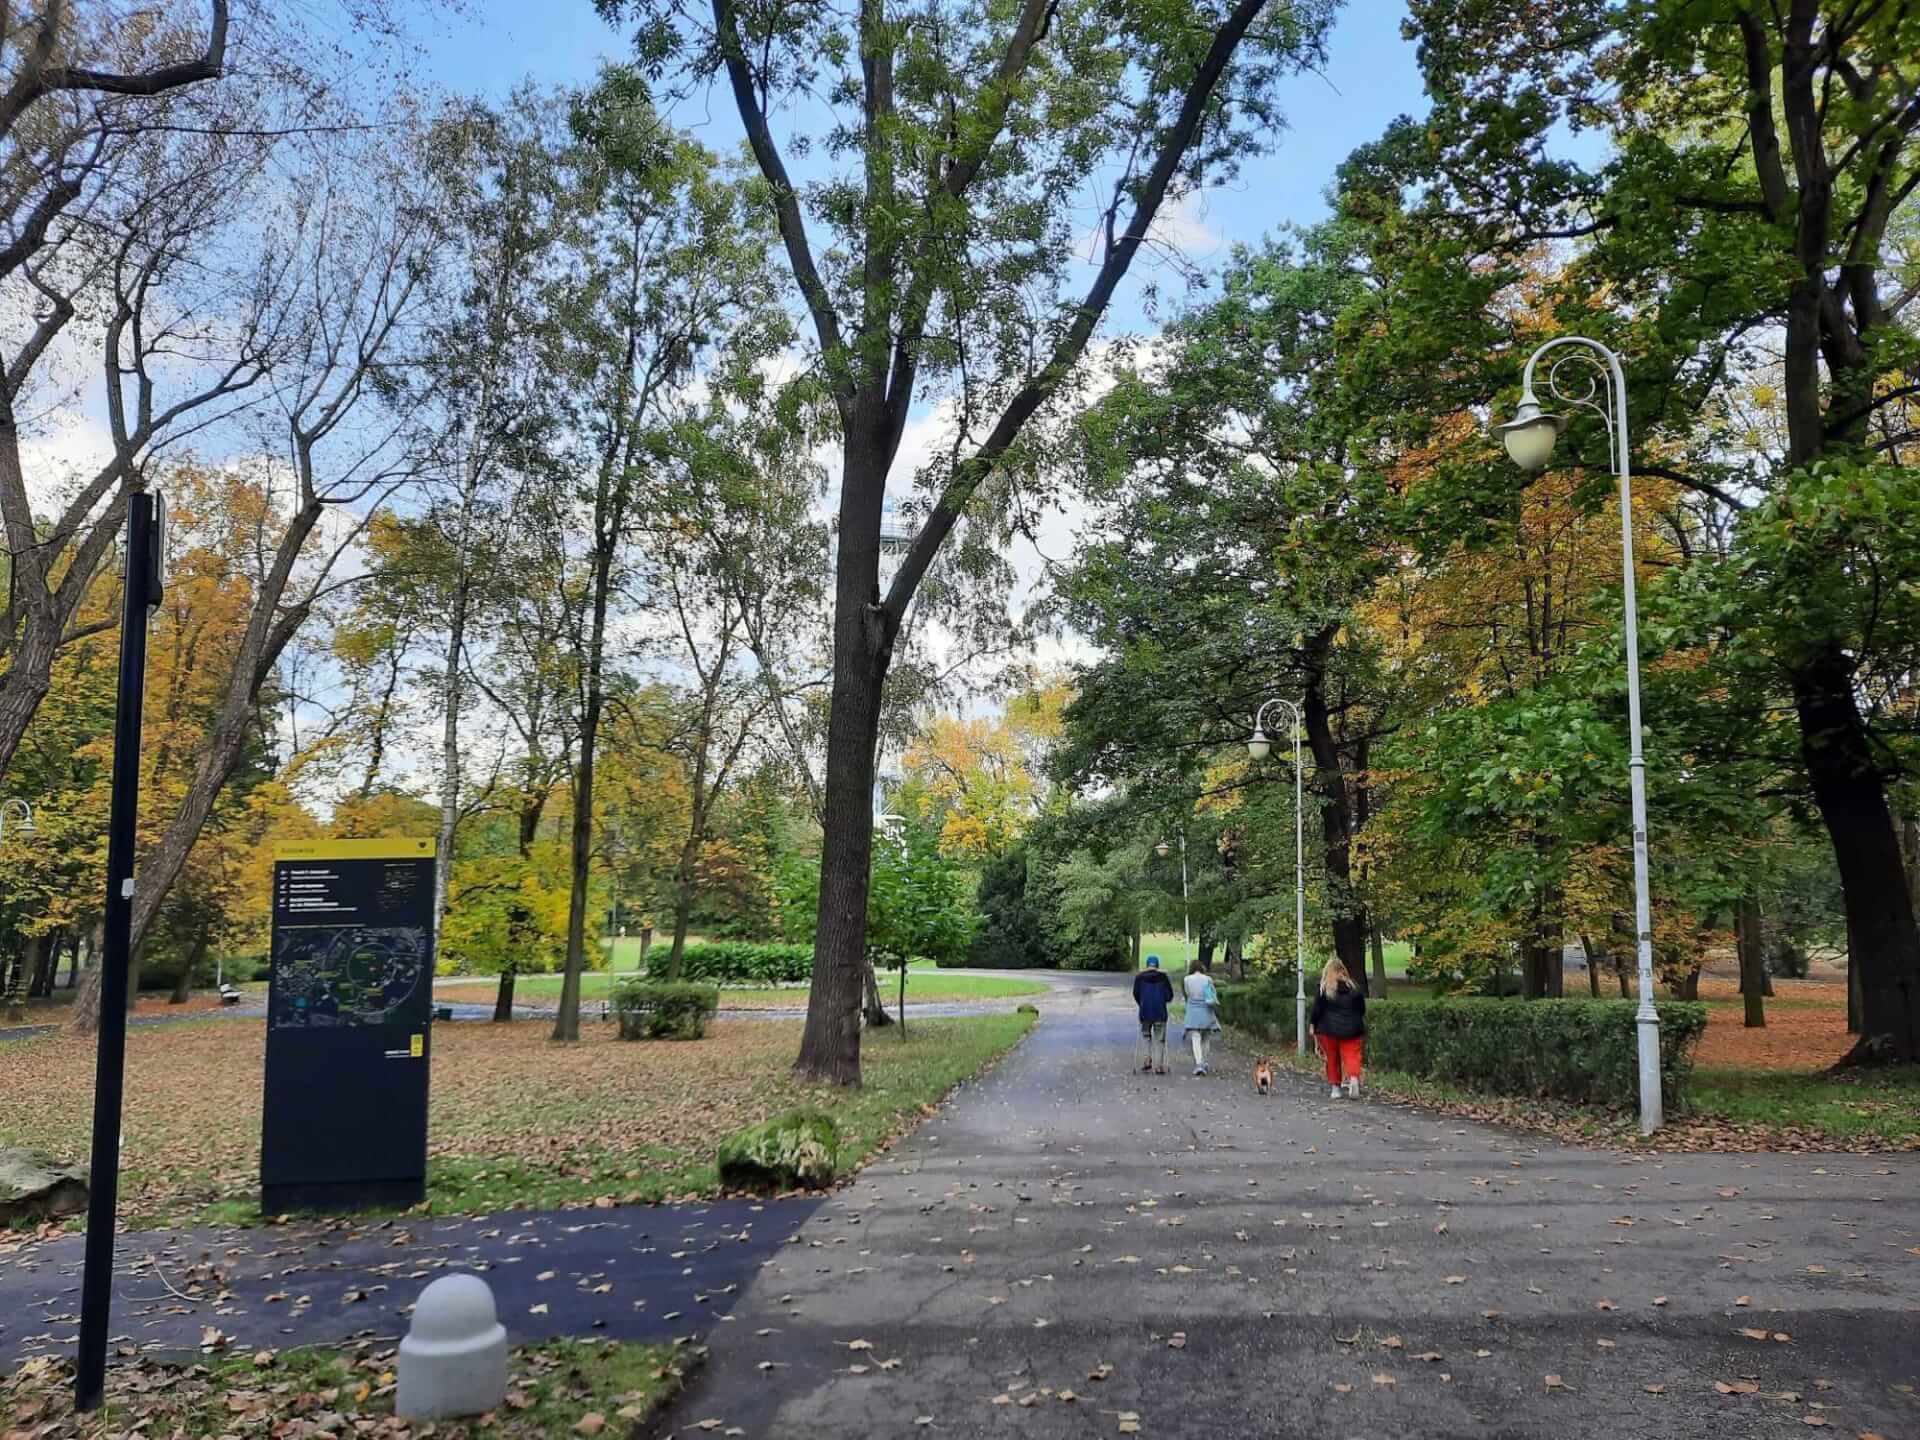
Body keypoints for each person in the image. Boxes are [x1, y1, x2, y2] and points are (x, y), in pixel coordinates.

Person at [1309, 957, 1367, 1098]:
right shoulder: (1354, 988)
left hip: (1328, 1030)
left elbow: (1317, 1010)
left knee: (1332, 1058)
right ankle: (1353, 1078)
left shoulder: (1324, 989)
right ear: (1343, 970)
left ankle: (1336, 1088)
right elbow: (1362, 1009)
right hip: (1352, 1029)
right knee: (1352, 1055)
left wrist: (1312, 1024)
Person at [1132, 954, 1174, 1074]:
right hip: (1160, 1012)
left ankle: (1147, 1060)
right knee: (1160, 1039)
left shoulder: (1139, 978)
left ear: (1147, 965)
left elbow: (1136, 993)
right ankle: (1159, 1065)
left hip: (1145, 1011)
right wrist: (1162, 999)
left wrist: (1142, 1002)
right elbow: (1169, 996)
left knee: (1146, 1036)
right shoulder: (1163, 977)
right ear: (1157, 965)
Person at [1182, 959, 1221, 1076]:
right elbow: (1213, 994)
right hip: (1206, 1011)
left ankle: (1198, 1063)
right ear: (1202, 968)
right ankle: (1203, 1062)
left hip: (1193, 1011)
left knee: (1195, 1037)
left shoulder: (1187, 979)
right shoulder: (1208, 979)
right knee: (1206, 1038)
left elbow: (1187, 994)